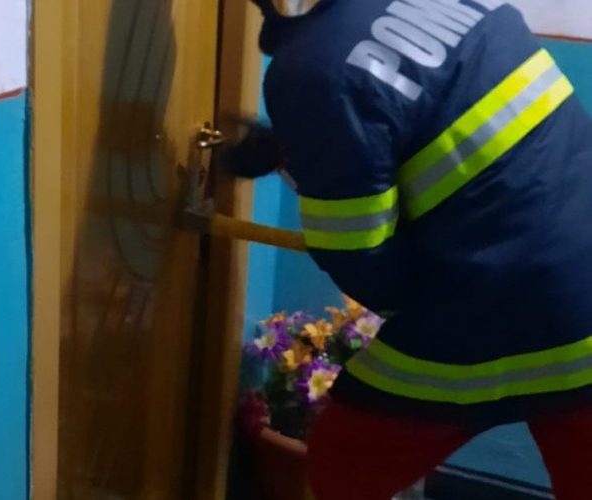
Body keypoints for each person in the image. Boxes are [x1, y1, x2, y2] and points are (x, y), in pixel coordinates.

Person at [225, 1, 592, 498]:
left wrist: (414, 308)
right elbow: (463, 135)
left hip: (495, 306)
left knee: (344, 465)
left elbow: (356, 252)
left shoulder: (314, 68)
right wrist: (297, 147)